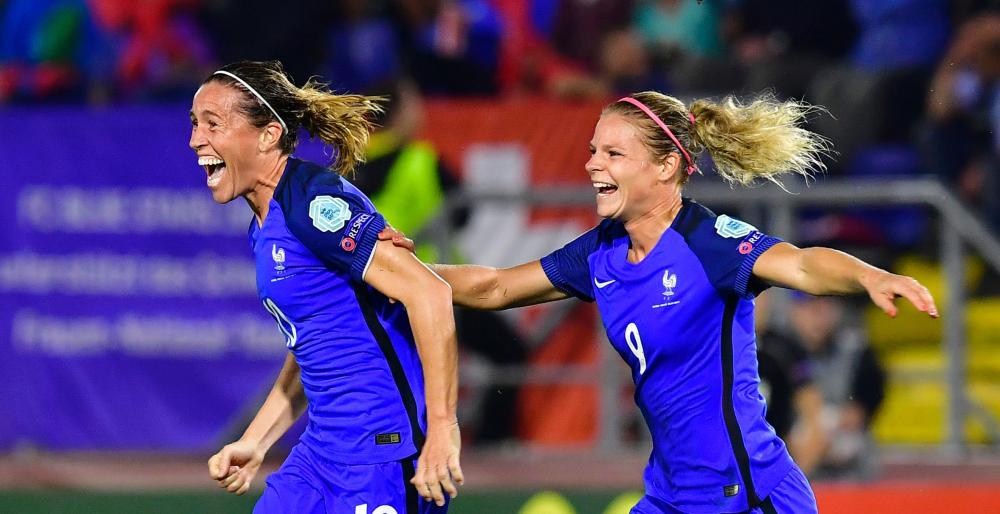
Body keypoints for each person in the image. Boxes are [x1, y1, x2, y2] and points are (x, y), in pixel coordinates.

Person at [384, 91, 938, 513]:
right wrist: (386, 269)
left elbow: (801, 263)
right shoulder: (600, 253)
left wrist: (868, 275)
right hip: (669, 495)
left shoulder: (708, 242)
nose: (591, 164)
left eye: (613, 153)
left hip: (746, 496)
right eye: (592, 150)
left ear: (665, 167)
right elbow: (496, 286)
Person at [188, 60, 463, 513]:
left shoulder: (314, 205)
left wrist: (441, 428)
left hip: (382, 455)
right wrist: (256, 441)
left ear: (267, 135)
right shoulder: (267, 222)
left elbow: (429, 293)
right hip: (322, 454)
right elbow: (315, 337)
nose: (196, 139)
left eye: (212, 123)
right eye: (195, 123)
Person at [789, 294, 886, 480]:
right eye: (811, 309)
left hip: (851, 465)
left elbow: (858, 412)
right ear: (795, 311)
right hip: (795, 452)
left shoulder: (857, 350)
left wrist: (826, 422)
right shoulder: (777, 352)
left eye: (824, 308)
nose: (817, 318)